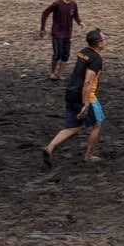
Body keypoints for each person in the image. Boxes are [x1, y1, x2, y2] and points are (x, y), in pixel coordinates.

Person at [43, 29, 107, 165]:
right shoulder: (96, 59)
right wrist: (86, 104)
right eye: (103, 39)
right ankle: (89, 156)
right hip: (84, 95)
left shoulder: (83, 52)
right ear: (99, 44)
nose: (105, 41)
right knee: (97, 124)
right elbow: (88, 82)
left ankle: (50, 147)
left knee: (73, 127)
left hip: (70, 92)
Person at [40, 0, 85, 81]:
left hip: (67, 34)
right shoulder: (57, 4)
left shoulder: (73, 4)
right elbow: (45, 13)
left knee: (66, 54)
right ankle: (52, 72)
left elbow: (75, 16)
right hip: (57, 33)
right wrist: (43, 28)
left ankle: (60, 74)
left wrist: (80, 22)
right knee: (57, 54)